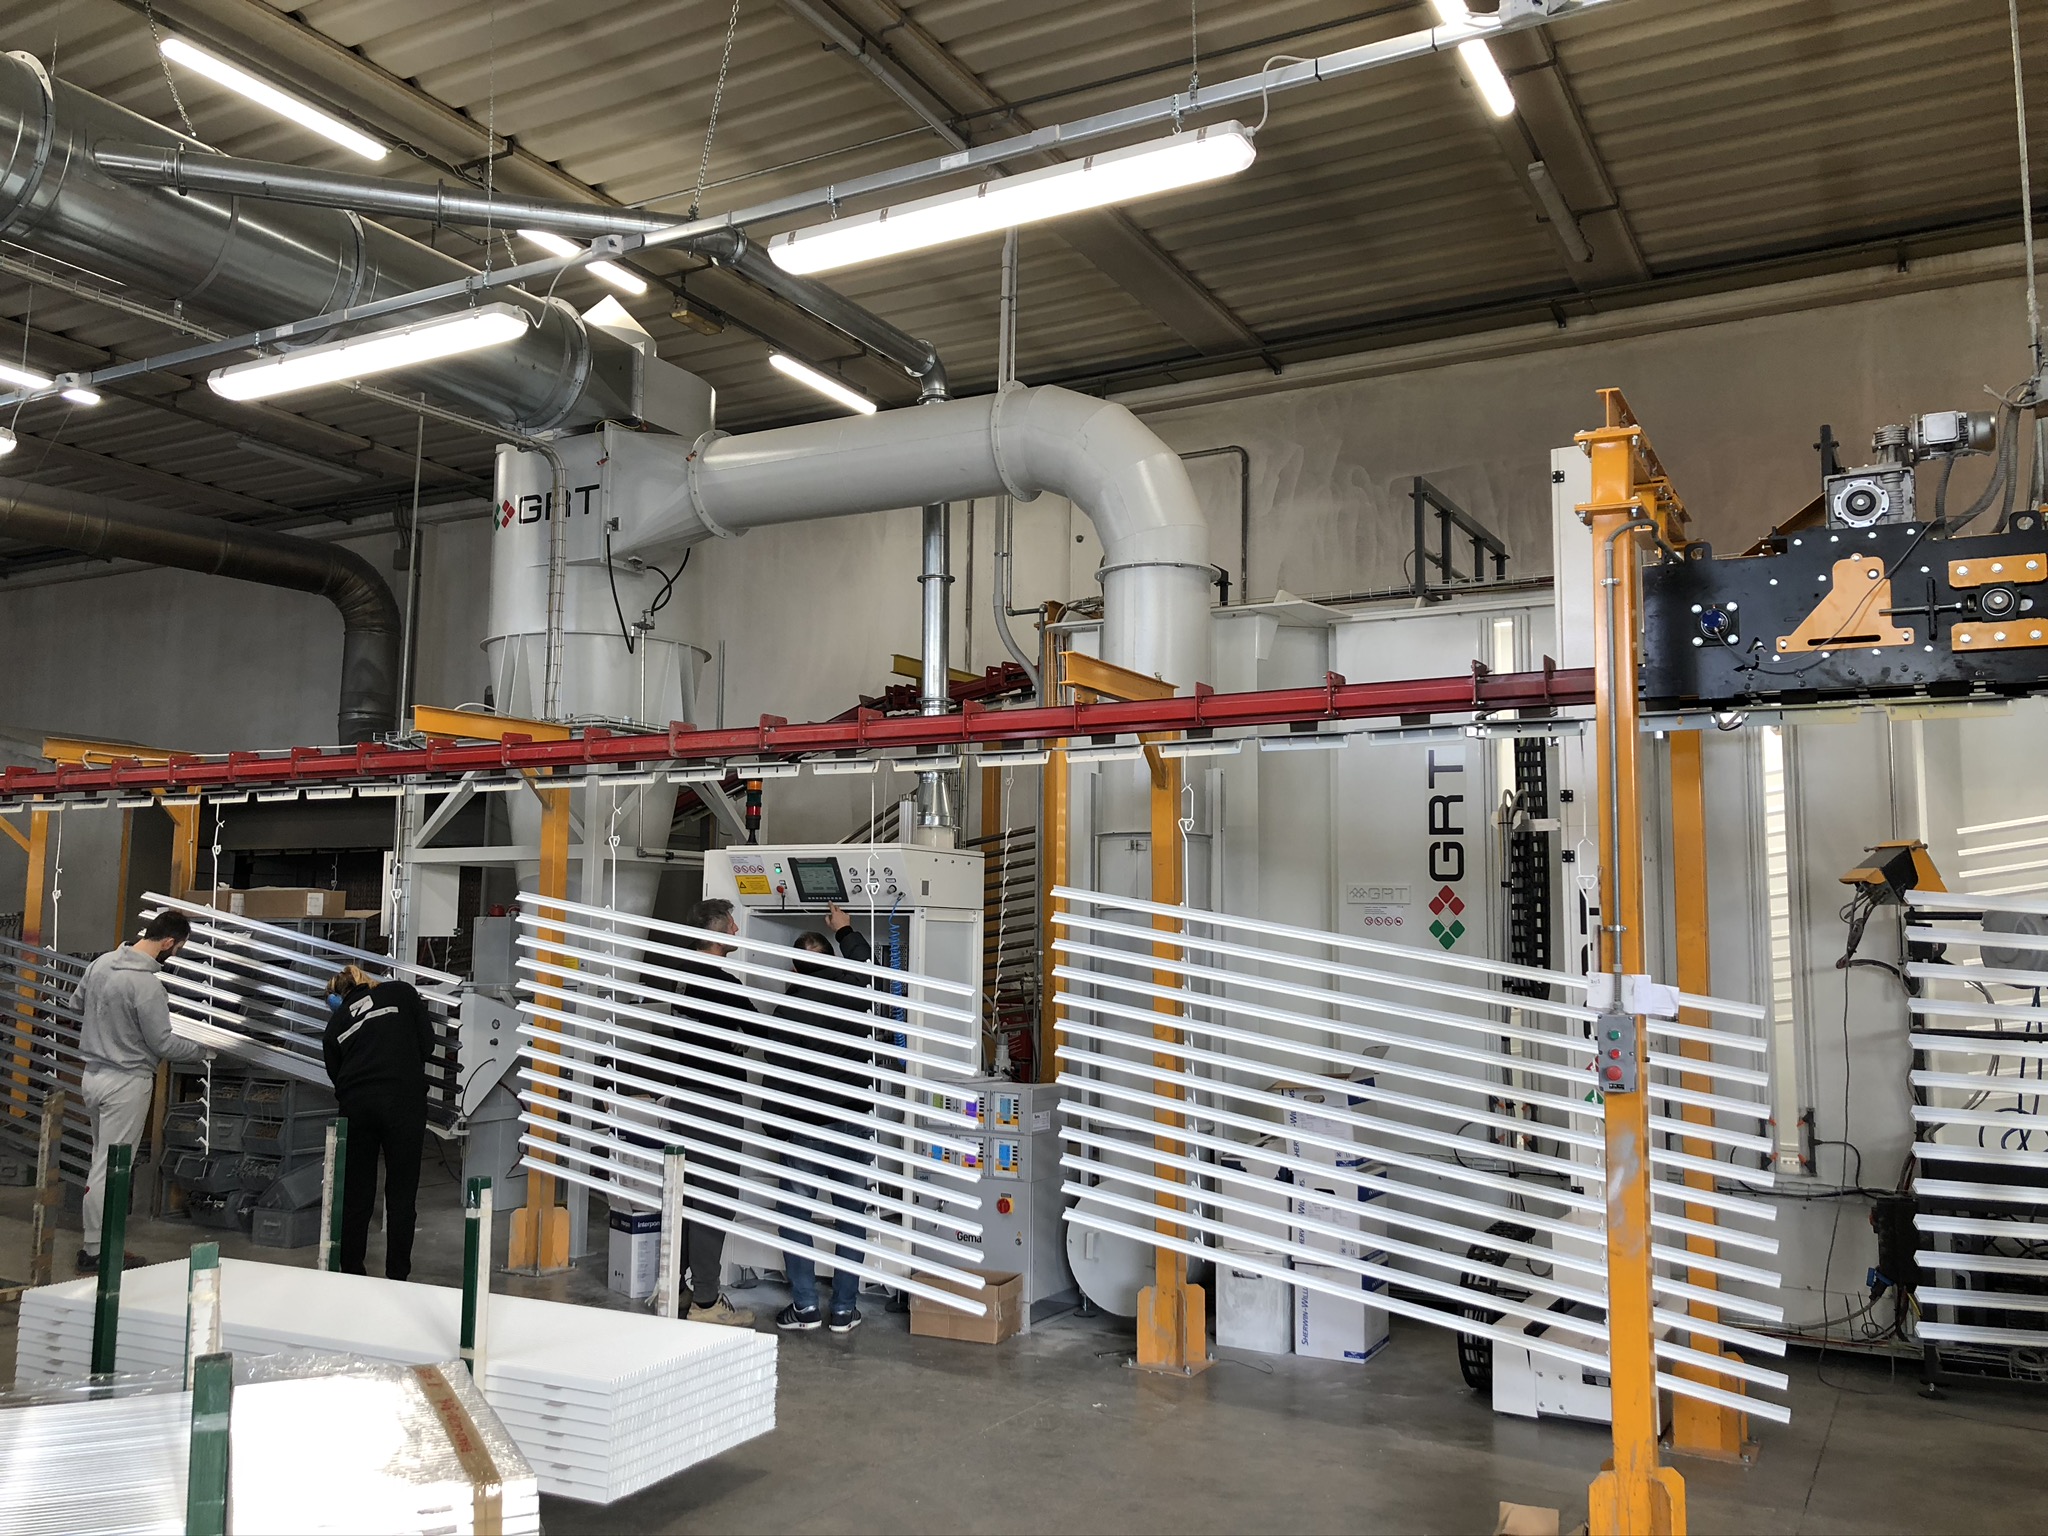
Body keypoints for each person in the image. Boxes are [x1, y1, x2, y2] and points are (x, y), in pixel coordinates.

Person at [759, 904, 879, 1334]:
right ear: (831, 962)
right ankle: (844, 1310)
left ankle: (806, 1307)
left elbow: (777, 1077)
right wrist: (845, 928)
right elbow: (867, 965)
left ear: (794, 967)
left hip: (805, 1127)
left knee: (796, 1216)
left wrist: (775, 1127)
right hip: (852, 1122)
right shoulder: (854, 994)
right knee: (851, 1216)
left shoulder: (786, 1012)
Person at [76, 909, 209, 1274]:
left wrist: (111, 1024)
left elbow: (77, 1003)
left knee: (100, 1160)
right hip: (126, 1081)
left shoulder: (100, 964)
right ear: (168, 942)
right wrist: (203, 1050)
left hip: (92, 1076)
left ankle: (96, 1244)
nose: (176, 954)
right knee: (112, 1167)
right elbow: (163, 1044)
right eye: (178, 948)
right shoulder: (147, 986)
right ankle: (97, 1251)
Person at [647, 897, 757, 1327]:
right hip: (715, 1102)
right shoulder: (720, 981)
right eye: (730, 924)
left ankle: (676, 1288)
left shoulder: (680, 977)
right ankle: (707, 1302)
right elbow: (764, 1028)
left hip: (686, 1098)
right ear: (714, 932)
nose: (736, 931)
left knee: (687, 1198)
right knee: (714, 1198)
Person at [321, 963, 434, 1281]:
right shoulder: (400, 992)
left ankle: (351, 1272)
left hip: (357, 1107)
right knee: (401, 1195)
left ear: (336, 998)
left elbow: (336, 1076)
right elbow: (427, 1045)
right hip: (403, 1101)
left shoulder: (335, 1024)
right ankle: (398, 1276)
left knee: (356, 1195)